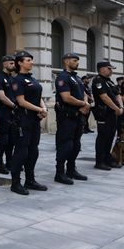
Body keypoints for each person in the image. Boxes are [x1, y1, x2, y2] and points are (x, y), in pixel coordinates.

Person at [8, 51, 49, 195]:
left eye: (31, 60)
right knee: (21, 151)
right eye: (28, 60)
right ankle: (15, 182)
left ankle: (30, 180)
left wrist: (43, 108)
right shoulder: (17, 80)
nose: (31, 62)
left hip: (34, 120)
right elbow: (21, 101)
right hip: (23, 120)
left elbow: (38, 96)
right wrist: (40, 109)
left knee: (33, 150)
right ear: (20, 63)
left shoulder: (32, 79)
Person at [53, 53, 89, 184]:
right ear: (66, 61)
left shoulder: (76, 78)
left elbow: (84, 93)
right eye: (75, 60)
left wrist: (85, 103)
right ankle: (59, 173)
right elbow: (66, 97)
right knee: (65, 145)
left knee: (76, 144)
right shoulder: (62, 77)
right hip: (67, 116)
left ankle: (71, 169)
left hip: (78, 116)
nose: (77, 63)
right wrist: (83, 104)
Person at [91, 61, 123, 170]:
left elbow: (118, 94)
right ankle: (99, 161)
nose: (111, 71)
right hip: (103, 113)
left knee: (110, 136)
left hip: (112, 113)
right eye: (109, 69)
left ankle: (107, 158)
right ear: (102, 69)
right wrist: (116, 108)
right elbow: (104, 97)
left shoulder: (109, 82)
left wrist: (121, 107)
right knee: (103, 137)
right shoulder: (98, 81)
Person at [0, 55, 17, 174]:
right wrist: (14, 106)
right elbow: (2, 97)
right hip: (3, 112)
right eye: (11, 63)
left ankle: (9, 162)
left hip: (13, 113)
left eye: (14, 63)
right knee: (3, 139)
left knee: (12, 139)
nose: (13, 65)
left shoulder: (12, 78)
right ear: (4, 64)